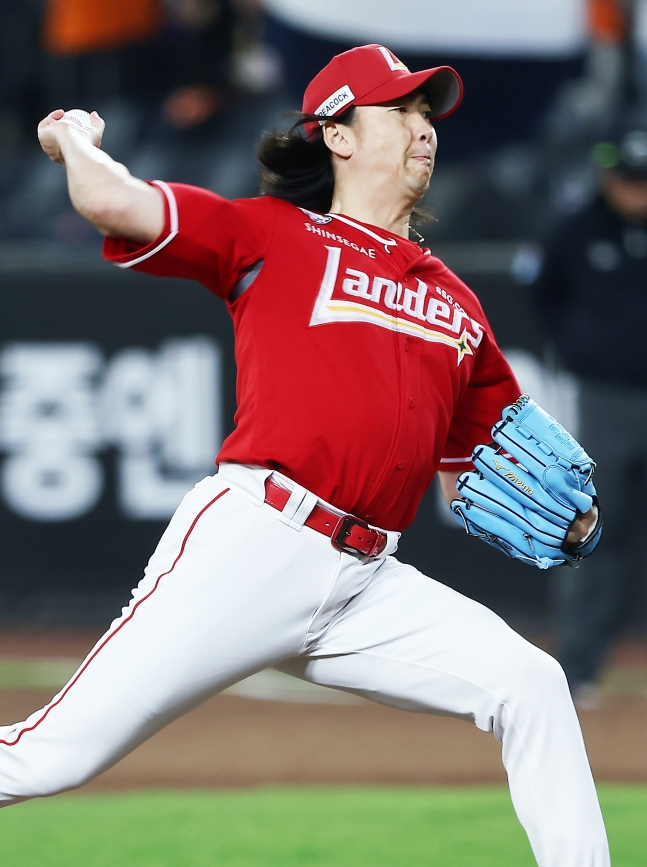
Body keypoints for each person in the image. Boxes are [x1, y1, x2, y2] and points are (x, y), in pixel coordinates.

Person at [0, 44, 608, 866]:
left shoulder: (453, 300)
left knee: (529, 686)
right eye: (398, 110)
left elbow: (499, 449)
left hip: (368, 582)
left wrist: (573, 514)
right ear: (338, 136)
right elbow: (115, 204)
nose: (421, 129)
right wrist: (75, 141)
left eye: (426, 114)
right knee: (51, 755)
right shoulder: (272, 234)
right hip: (256, 545)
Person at [534, 126, 647, 706]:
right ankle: (578, 667)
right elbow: (544, 295)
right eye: (629, 179)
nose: (637, 192)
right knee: (594, 531)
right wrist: (580, 346)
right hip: (604, 397)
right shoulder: (578, 232)